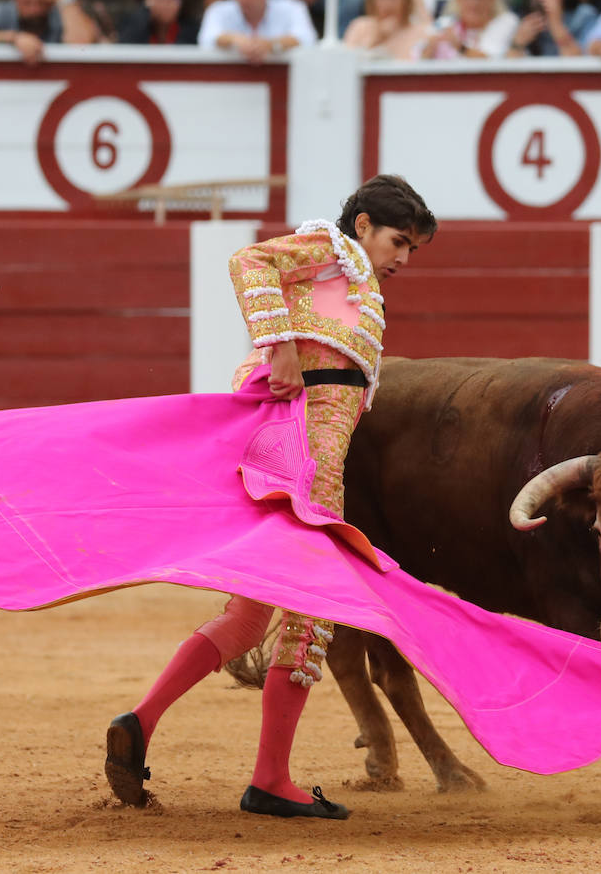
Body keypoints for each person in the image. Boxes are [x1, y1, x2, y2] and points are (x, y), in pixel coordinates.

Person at [104, 174, 438, 820]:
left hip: (301, 464)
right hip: (303, 468)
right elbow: (248, 259)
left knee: (248, 619)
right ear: (363, 224)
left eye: (414, 251)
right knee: (308, 617)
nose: (403, 258)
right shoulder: (331, 251)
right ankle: (270, 779)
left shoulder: (355, 284)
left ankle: (139, 722)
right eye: (399, 241)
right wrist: (278, 346)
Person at [419, 0, 520, 58]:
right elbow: (417, 60)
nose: (473, 3)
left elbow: (492, 61)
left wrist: (459, 47)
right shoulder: (444, 24)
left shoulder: (506, 21)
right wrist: (430, 48)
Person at [506, 0, 597, 56]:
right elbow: (508, 68)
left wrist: (556, 24)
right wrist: (518, 42)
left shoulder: (583, 15)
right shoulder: (520, 19)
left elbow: (579, 63)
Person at [342, 0, 430, 58]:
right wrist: (378, 37)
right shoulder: (360, 27)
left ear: (406, 1)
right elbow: (349, 61)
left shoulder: (420, 32)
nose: (388, 4)